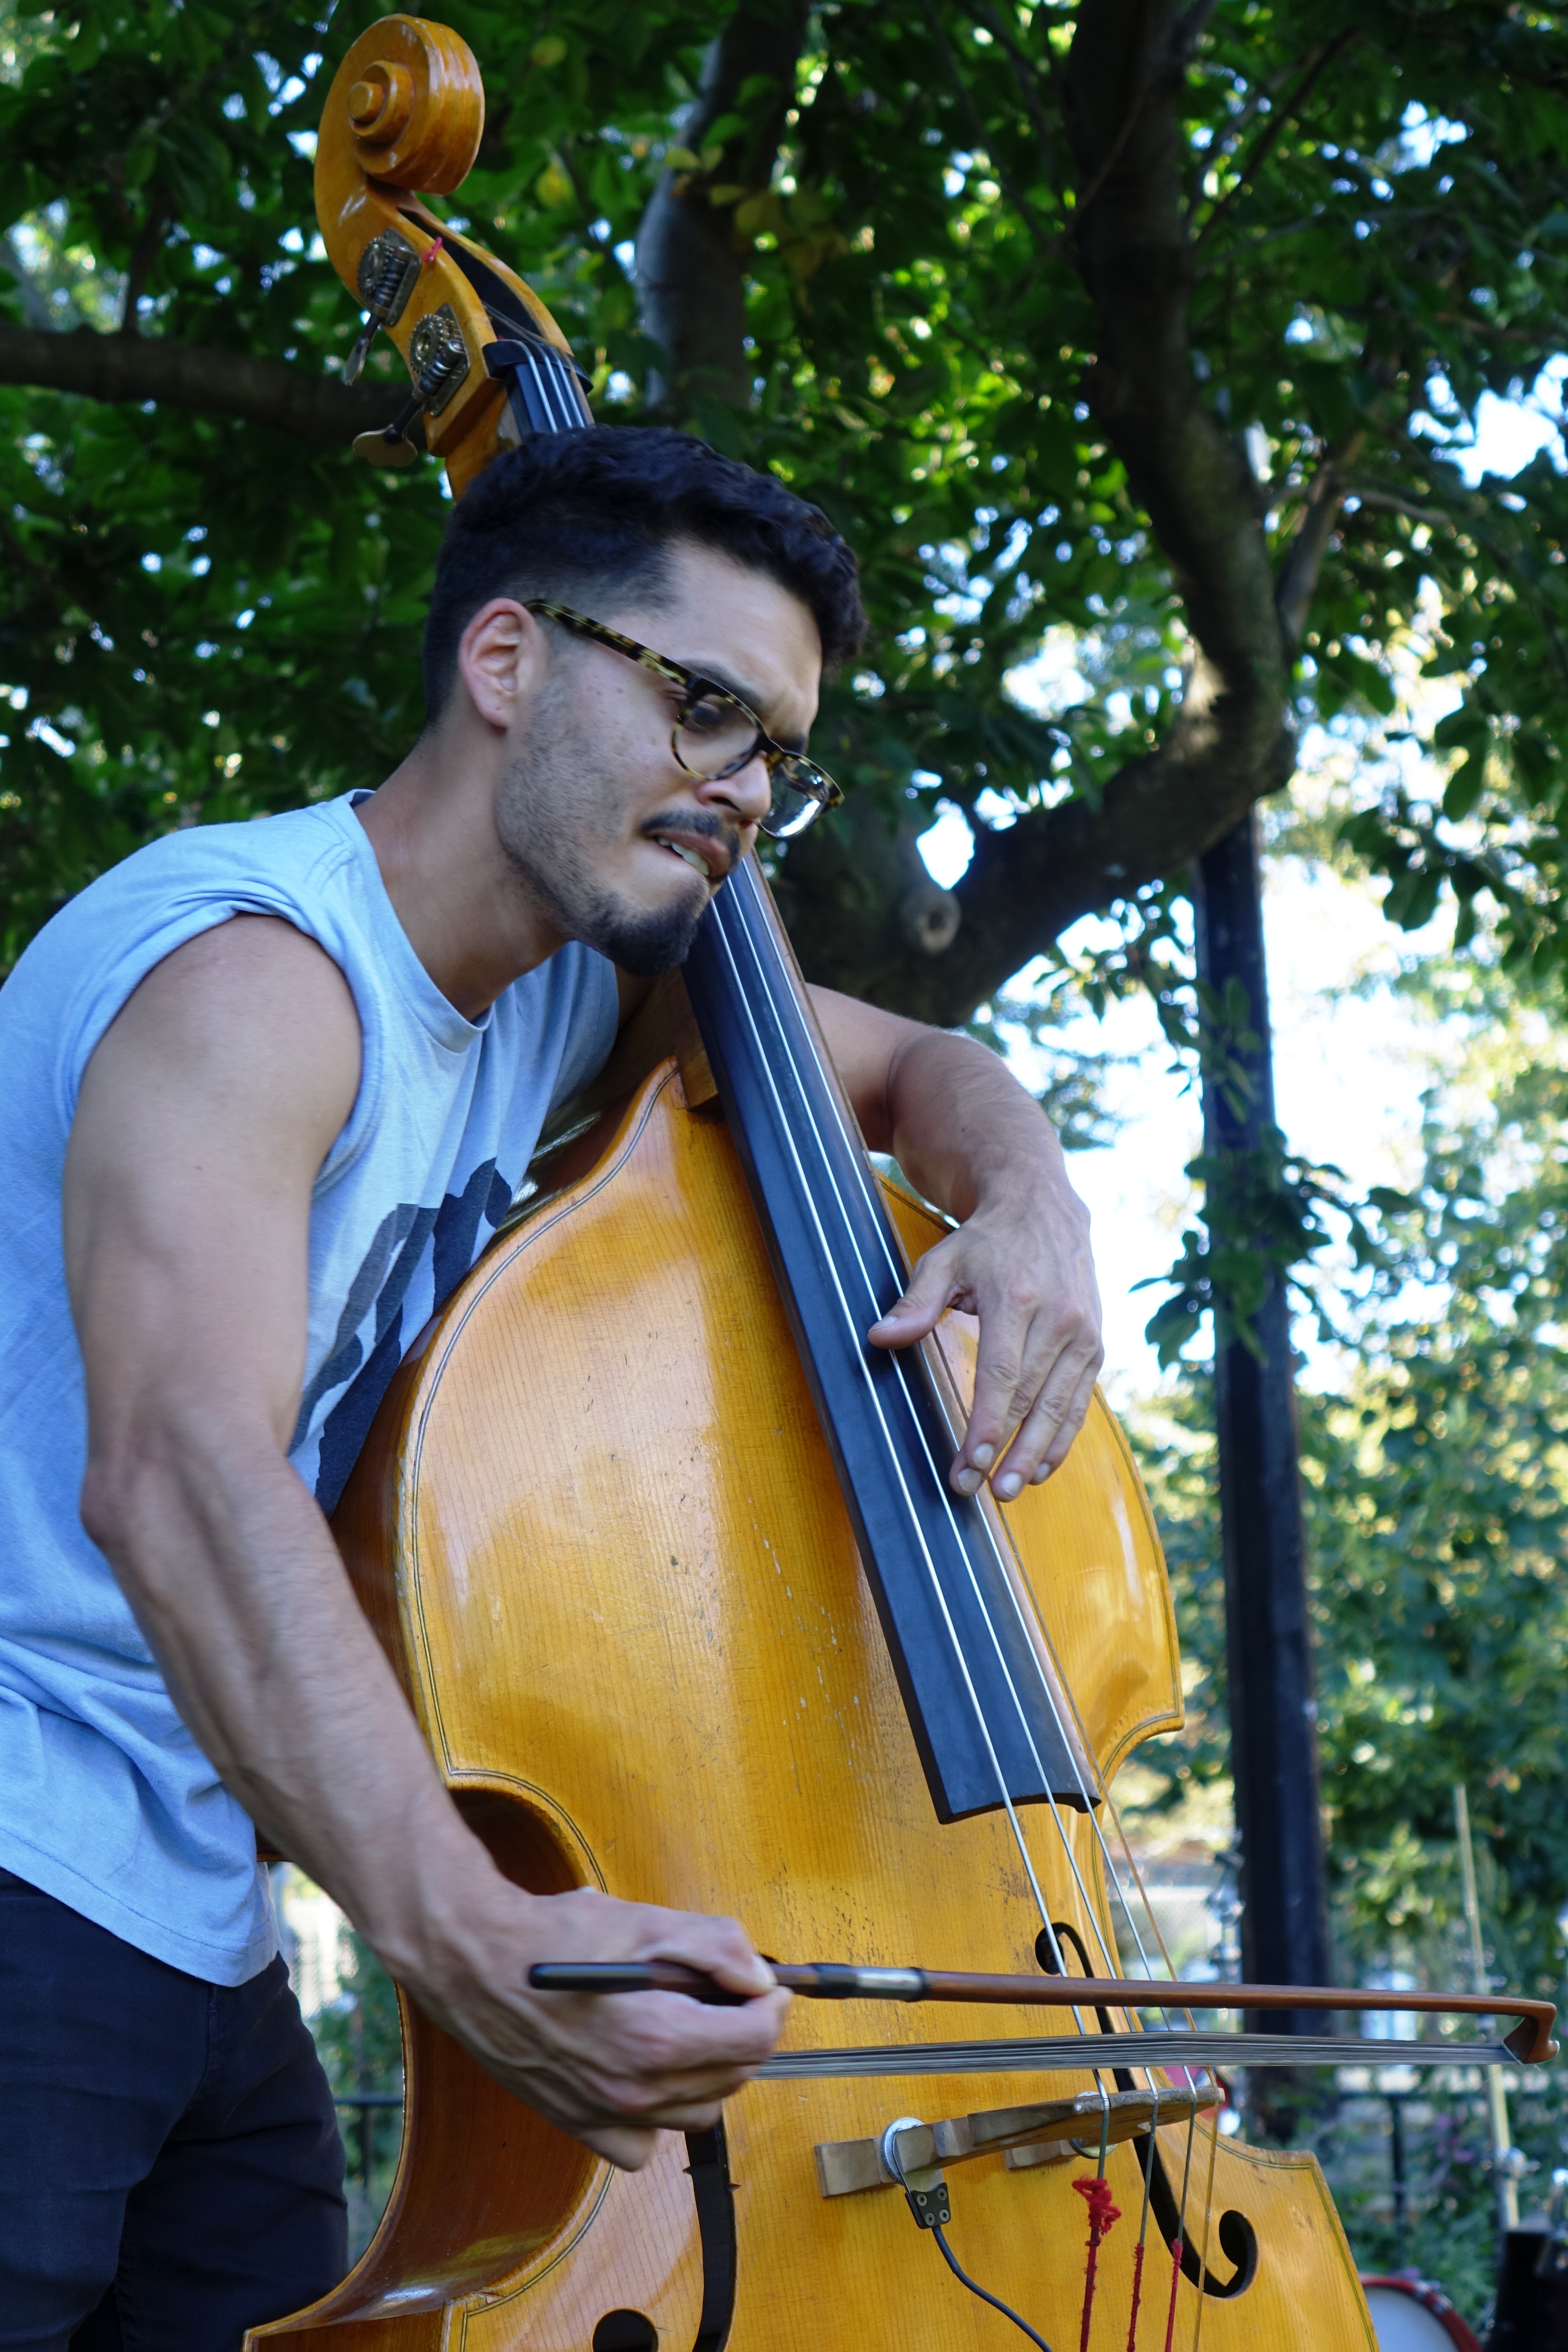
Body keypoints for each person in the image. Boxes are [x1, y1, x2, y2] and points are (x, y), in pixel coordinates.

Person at [0, 428, 1102, 2346]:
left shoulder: (559, 1003)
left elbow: (927, 1057)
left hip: (199, 1911)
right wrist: (471, 1931)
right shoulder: (254, 975)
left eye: (778, 750)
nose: (748, 790)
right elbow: (182, 1473)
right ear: (507, 663)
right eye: (703, 712)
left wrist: (1028, 1203)